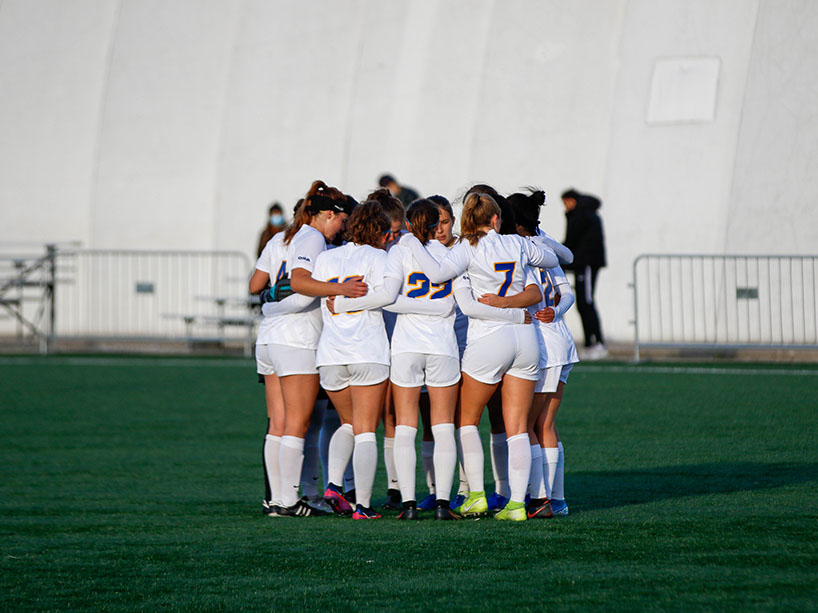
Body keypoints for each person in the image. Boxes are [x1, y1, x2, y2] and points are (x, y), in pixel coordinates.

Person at [398, 192, 559, 521]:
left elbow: (439, 273)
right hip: (527, 339)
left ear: (466, 220)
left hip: (488, 336)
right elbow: (555, 260)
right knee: (517, 427)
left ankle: (475, 496)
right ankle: (516, 504)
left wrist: (413, 243)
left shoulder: (465, 248)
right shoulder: (516, 243)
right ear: (496, 219)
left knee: (467, 421)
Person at [262, 180, 366, 517]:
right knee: (297, 423)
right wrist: (339, 287)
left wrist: (270, 303)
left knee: (280, 423)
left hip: (273, 336)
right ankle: (290, 501)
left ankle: (278, 501)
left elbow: (261, 286)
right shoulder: (311, 236)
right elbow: (299, 282)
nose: (341, 228)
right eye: (340, 219)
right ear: (326, 214)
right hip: (298, 339)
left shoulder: (290, 236)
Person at [313, 201, 403, 519]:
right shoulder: (381, 257)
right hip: (368, 351)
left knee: (348, 424)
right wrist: (357, 301)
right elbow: (388, 296)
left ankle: (334, 484)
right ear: (379, 232)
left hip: (331, 355)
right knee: (365, 430)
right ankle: (362, 505)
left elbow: (323, 297)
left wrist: (342, 303)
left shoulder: (326, 258)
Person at [507, 190, 578, 518]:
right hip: (561, 342)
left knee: (532, 424)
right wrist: (558, 311)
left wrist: (551, 311)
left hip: (545, 345)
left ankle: (542, 499)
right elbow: (567, 292)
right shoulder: (544, 244)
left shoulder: (524, 251)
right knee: (546, 423)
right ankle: (557, 500)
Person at [561, 188, 607, 358]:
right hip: (584, 263)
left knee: (586, 302)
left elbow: (572, 241)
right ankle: (592, 342)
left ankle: (596, 343)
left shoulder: (580, 216)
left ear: (571, 200)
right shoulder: (586, 214)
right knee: (584, 303)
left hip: (585, 265)